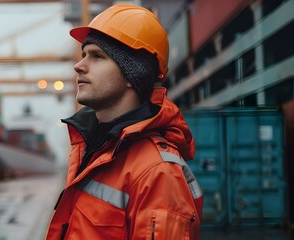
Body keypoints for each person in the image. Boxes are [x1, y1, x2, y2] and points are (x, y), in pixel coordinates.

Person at [46, 3, 203, 240]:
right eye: (83, 55)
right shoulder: (96, 151)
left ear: (133, 75)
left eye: (97, 56)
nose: (79, 66)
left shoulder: (158, 174)